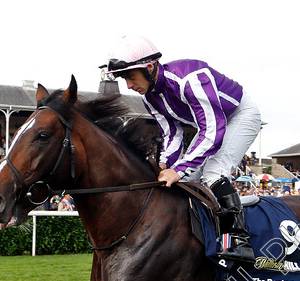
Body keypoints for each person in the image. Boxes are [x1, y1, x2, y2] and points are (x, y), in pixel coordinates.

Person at [103, 35, 261, 262]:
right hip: (211, 125)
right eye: (124, 79)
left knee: (214, 173)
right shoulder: (149, 98)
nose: (128, 85)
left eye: (130, 76)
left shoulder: (190, 80)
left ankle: (237, 240)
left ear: (149, 67)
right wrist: (165, 165)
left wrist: (177, 170)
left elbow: (212, 132)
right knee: (186, 180)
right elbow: (172, 133)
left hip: (240, 115)